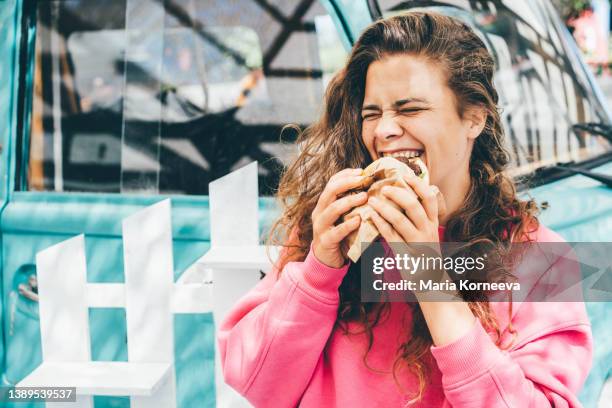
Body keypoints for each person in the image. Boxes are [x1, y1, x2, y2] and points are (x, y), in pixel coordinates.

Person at [218, 11, 592, 407]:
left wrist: (430, 277)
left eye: (410, 109)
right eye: (371, 113)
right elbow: (254, 382)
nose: (383, 131)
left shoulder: (543, 260)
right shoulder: (334, 231)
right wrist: (317, 273)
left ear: (474, 118)